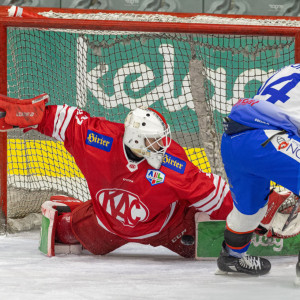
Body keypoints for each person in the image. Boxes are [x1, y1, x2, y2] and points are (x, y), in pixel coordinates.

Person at [0, 93, 294, 261]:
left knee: (206, 243)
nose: (163, 146)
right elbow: (58, 117)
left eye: (163, 139)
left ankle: (272, 218)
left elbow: (210, 192)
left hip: (168, 228)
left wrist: (256, 211)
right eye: (154, 143)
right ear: (135, 141)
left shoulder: (170, 162)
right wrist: (25, 113)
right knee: (65, 232)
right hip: (107, 224)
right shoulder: (98, 140)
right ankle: (69, 210)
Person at [218, 63, 300, 276]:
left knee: (250, 209)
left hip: (233, 140)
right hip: (267, 140)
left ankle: (231, 257)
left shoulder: (289, 69)